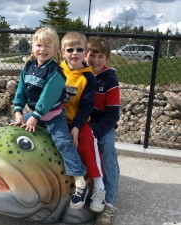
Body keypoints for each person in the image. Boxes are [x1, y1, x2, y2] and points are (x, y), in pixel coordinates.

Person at [10, 27, 88, 209]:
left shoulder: (55, 71)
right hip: (34, 114)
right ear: (32, 47)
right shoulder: (28, 67)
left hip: (52, 115)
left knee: (63, 142)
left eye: (48, 46)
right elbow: (21, 90)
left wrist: (35, 116)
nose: (42, 49)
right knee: (14, 128)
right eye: (39, 45)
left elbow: (48, 96)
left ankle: (79, 181)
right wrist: (19, 112)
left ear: (55, 50)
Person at [60, 32, 106, 213]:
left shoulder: (88, 78)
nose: (74, 53)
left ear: (85, 52)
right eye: (70, 49)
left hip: (78, 121)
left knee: (87, 141)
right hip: (57, 119)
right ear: (62, 53)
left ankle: (99, 184)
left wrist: (77, 127)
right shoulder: (56, 70)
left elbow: (87, 106)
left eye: (79, 49)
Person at [86, 36, 120, 225]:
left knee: (107, 150)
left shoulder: (110, 80)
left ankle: (109, 204)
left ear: (106, 59)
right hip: (84, 122)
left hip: (103, 124)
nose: (95, 60)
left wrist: (96, 131)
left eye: (100, 56)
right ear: (86, 55)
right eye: (92, 55)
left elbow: (113, 115)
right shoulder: (82, 74)